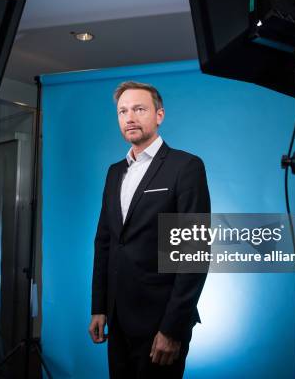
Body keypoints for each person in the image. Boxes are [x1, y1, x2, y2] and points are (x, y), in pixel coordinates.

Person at [88, 81, 211, 378]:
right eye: (122, 111)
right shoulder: (114, 172)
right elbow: (105, 242)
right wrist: (99, 307)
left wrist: (172, 328)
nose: (129, 117)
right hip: (117, 318)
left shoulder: (186, 166)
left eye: (139, 109)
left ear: (159, 115)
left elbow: (194, 253)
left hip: (161, 321)